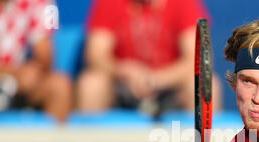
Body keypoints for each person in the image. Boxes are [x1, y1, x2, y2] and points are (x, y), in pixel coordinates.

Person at [77, 0, 223, 118]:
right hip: (122, 87)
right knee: (91, 84)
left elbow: (199, 59)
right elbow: (96, 56)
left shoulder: (184, 3)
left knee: (206, 85)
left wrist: (155, 79)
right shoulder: (109, 3)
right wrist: (125, 72)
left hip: (169, 89)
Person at [0, 0, 73, 122]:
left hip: (16, 83)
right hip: (7, 76)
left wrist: (29, 73)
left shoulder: (43, 3)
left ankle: (55, 140)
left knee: (59, 86)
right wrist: (15, 73)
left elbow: (45, 57)